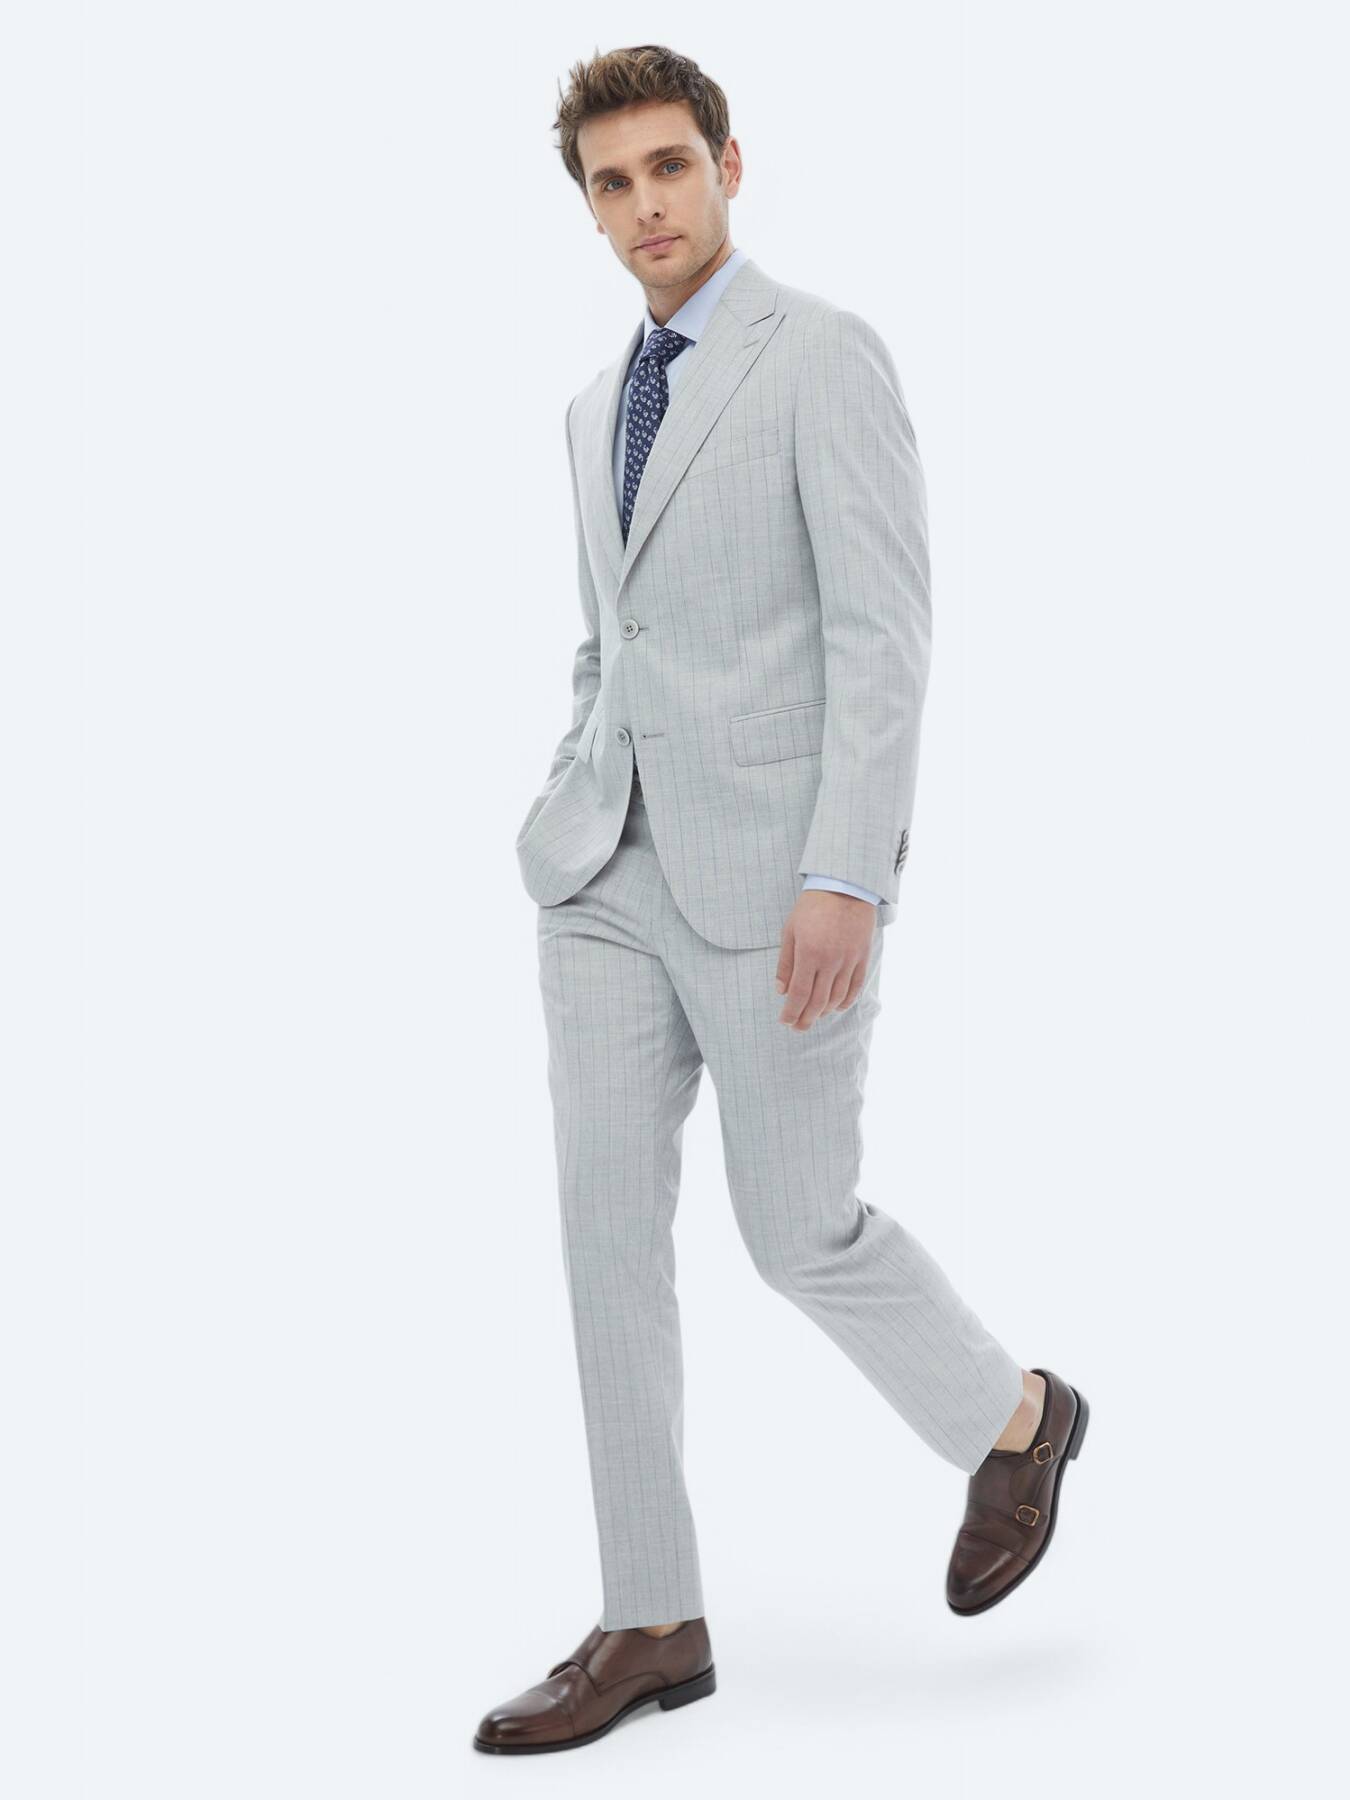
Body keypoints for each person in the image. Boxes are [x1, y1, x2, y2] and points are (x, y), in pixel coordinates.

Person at [473, 44, 1089, 1756]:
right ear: (588, 206)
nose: (644, 205)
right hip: (601, 877)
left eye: (668, 167)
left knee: (793, 1227)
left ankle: (1016, 1419)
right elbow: (609, 639)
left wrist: (845, 874)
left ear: (728, 167)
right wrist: (566, 787)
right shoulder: (590, 410)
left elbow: (884, 637)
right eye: (611, 182)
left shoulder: (820, 354)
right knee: (604, 1246)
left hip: (775, 877)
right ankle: (649, 1616)